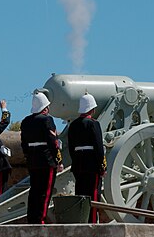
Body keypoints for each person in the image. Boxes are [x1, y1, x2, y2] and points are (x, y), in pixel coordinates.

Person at [20, 92, 63, 224]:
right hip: (46, 160)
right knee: (45, 191)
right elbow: (53, 142)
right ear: (45, 108)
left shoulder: (26, 121)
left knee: (34, 191)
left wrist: (28, 157)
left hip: (32, 160)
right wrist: (58, 160)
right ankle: (41, 219)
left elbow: (23, 143)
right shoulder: (47, 120)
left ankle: (32, 218)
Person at [68, 93, 107, 223]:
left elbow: (71, 147)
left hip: (78, 163)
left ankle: (81, 220)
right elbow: (98, 147)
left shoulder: (73, 125)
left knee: (80, 193)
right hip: (91, 164)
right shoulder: (93, 124)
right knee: (93, 195)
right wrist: (102, 166)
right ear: (92, 109)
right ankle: (92, 221)